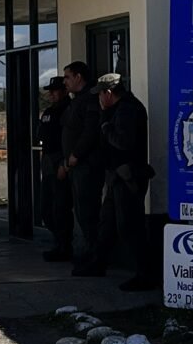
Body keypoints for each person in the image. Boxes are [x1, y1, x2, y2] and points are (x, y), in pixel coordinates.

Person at [95, 71, 154, 288]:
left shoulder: (127, 110)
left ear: (109, 93)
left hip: (129, 176)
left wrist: (105, 125)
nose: (99, 98)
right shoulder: (118, 109)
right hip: (117, 176)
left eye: (101, 94)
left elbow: (123, 142)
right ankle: (98, 263)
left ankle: (145, 274)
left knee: (130, 226)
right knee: (107, 223)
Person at [61, 60, 105, 275]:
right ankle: (87, 256)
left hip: (87, 166)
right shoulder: (76, 100)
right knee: (80, 212)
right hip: (75, 167)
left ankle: (95, 259)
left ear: (79, 77)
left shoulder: (89, 100)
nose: (65, 82)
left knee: (88, 214)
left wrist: (76, 155)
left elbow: (90, 132)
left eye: (67, 77)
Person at [38, 73, 73, 260]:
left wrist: (64, 163)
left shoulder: (69, 110)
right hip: (48, 162)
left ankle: (64, 246)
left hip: (60, 161)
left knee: (61, 208)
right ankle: (58, 242)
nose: (51, 94)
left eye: (55, 91)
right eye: (50, 91)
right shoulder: (48, 112)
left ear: (64, 91)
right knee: (46, 208)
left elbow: (69, 140)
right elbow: (41, 134)